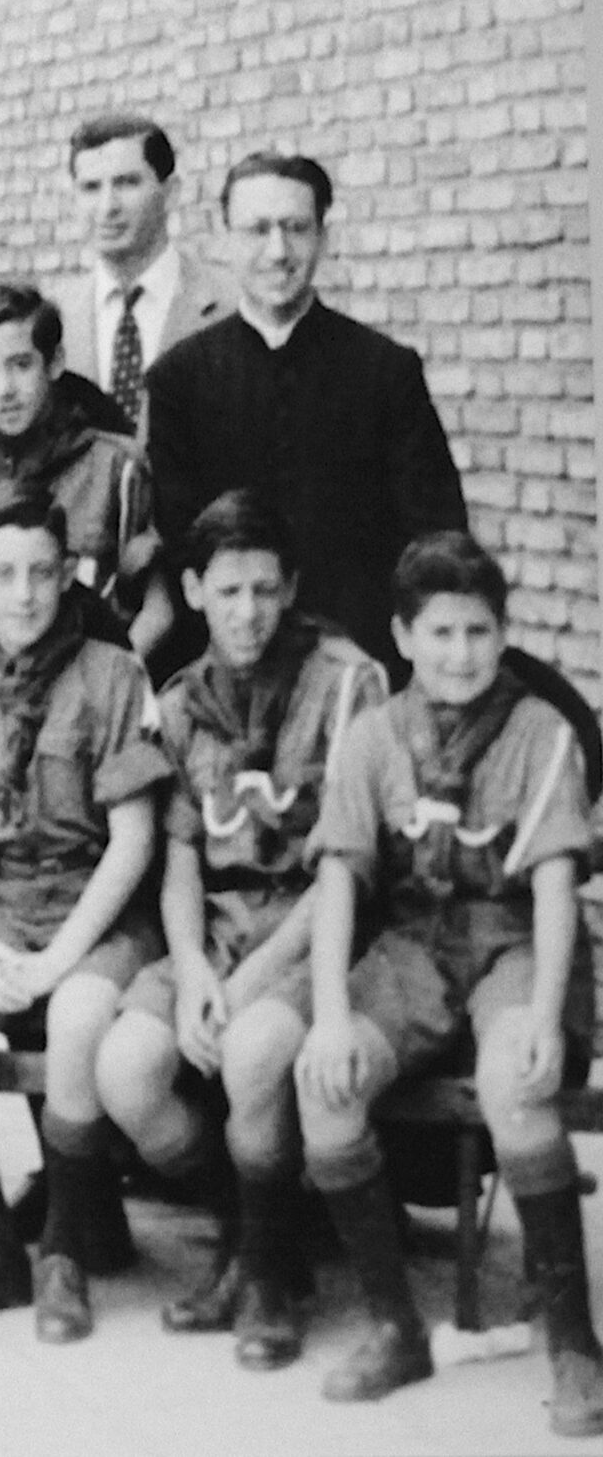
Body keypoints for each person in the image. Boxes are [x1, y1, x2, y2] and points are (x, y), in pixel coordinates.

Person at [291, 532, 602, 1435]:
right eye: (440, 632)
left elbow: (555, 888)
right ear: (403, 636)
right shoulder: (374, 736)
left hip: (513, 944)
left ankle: (574, 1341)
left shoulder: (540, 732)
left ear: (503, 634)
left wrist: (543, 1014)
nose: (460, 654)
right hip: (415, 948)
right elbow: (339, 880)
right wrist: (331, 1016)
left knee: (517, 1080)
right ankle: (394, 1324)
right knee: (326, 1084)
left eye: (478, 631)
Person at [91, 490, 386, 1370]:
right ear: (193, 591)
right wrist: (191, 969)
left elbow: (345, 863)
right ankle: (253, 1229)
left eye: (264, 589)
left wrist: (256, 976)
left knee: (255, 1050)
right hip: (217, 928)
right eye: (227, 592)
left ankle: (261, 1280)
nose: (248, 611)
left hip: (318, 928)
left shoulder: (348, 683)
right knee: (127, 1069)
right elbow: (181, 855)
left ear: (290, 586)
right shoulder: (181, 700)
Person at [0, 485, 172, 1343]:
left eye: (43, 573)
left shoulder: (114, 675)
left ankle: (63, 1251)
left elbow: (132, 843)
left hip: (100, 915)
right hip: (3, 913)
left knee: (81, 1016)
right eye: (5, 574)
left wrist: (60, 961)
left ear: (70, 573)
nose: (24, 594)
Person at [145, 152, 467, 672]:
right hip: (230, 665)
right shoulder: (179, 379)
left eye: (296, 228)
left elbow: (434, 538)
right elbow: (182, 544)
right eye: (257, 230)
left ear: (323, 237)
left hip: (361, 663)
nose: (278, 251)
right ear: (225, 239)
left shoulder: (385, 372)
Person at [0, 280, 170, 658]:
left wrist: (110, 678)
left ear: (54, 363)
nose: (4, 389)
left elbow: (158, 610)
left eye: (21, 365)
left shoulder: (115, 467)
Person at [42, 113, 238, 428]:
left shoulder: (232, 305)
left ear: (170, 192)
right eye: (91, 187)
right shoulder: (53, 317)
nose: (108, 206)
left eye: (127, 183)